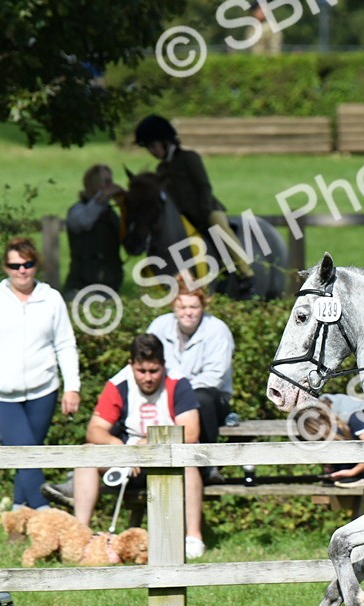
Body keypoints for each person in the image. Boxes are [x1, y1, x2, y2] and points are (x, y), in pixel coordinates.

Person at [46, 334, 206, 559]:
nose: (148, 378)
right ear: (131, 365)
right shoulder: (118, 384)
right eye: (141, 371)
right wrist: (119, 448)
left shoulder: (179, 383)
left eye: (154, 371)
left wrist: (148, 445)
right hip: (127, 459)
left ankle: (193, 538)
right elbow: (95, 430)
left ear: (163, 366)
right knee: (87, 456)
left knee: (188, 463)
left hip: (166, 456)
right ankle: (80, 537)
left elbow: (190, 432)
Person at [0, 237, 80, 512]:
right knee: (26, 455)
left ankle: (18, 515)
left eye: (27, 264)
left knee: (29, 455)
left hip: (44, 390)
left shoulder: (51, 298)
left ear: (35, 265)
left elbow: (65, 344)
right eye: (15, 265)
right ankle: (44, 511)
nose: (22, 271)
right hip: (3, 395)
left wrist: (71, 386)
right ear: (5, 267)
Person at [133, 115, 257, 293]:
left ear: (166, 141)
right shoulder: (160, 170)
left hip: (207, 210)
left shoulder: (188, 157)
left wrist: (204, 211)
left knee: (219, 226)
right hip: (183, 217)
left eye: (153, 146)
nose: (151, 151)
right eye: (148, 148)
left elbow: (204, 186)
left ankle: (246, 272)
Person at [146, 277, 235, 464]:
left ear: (203, 306)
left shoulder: (217, 330)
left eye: (193, 307)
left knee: (201, 398)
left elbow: (214, 377)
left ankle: (208, 463)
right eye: (182, 307)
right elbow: (147, 362)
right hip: (166, 396)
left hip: (210, 398)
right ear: (173, 307)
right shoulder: (159, 326)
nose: (188, 313)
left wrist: (180, 393)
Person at [65, 164, 124, 296]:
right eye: (106, 182)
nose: (110, 186)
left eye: (111, 182)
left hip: (110, 284)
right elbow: (84, 221)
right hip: (81, 286)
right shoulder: (77, 210)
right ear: (91, 185)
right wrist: (101, 198)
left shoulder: (111, 215)